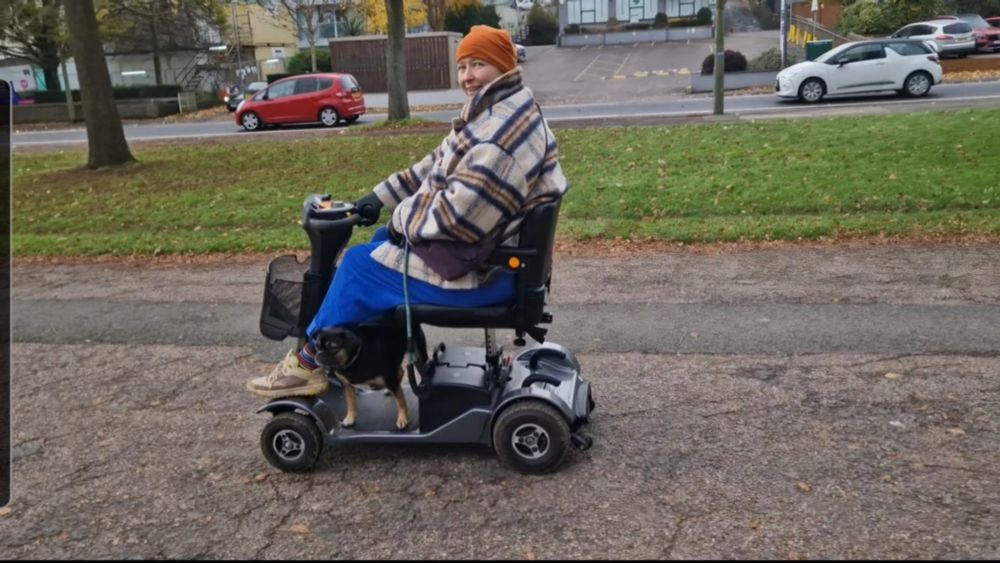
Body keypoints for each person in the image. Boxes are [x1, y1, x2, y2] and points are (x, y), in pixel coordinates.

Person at [247, 25, 568, 398]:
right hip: (498, 259)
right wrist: (379, 197)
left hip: (489, 278)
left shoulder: (500, 137)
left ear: (503, 66)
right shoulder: (498, 111)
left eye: (478, 65)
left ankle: (306, 365)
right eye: (462, 66)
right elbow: (436, 164)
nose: (467, 76)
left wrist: (402, 219)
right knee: (378, 243)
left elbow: (459, 219)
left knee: (358, 266)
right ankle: (365, 353)